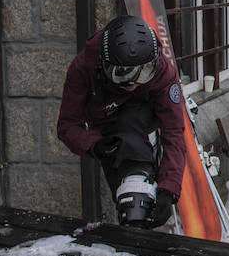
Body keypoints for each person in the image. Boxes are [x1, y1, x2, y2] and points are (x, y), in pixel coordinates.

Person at [56, 16, 185, 229]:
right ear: (105, 65)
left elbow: (173, 130)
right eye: (124, 75)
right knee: (127, 204)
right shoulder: (83, 68)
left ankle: (141, 204)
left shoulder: (162, 69)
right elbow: (67, 125)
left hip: (146, 124)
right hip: (108, 134)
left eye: (143, 73)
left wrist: (169, 187)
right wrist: (94, 144)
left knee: (140, 201)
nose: (133, 83)